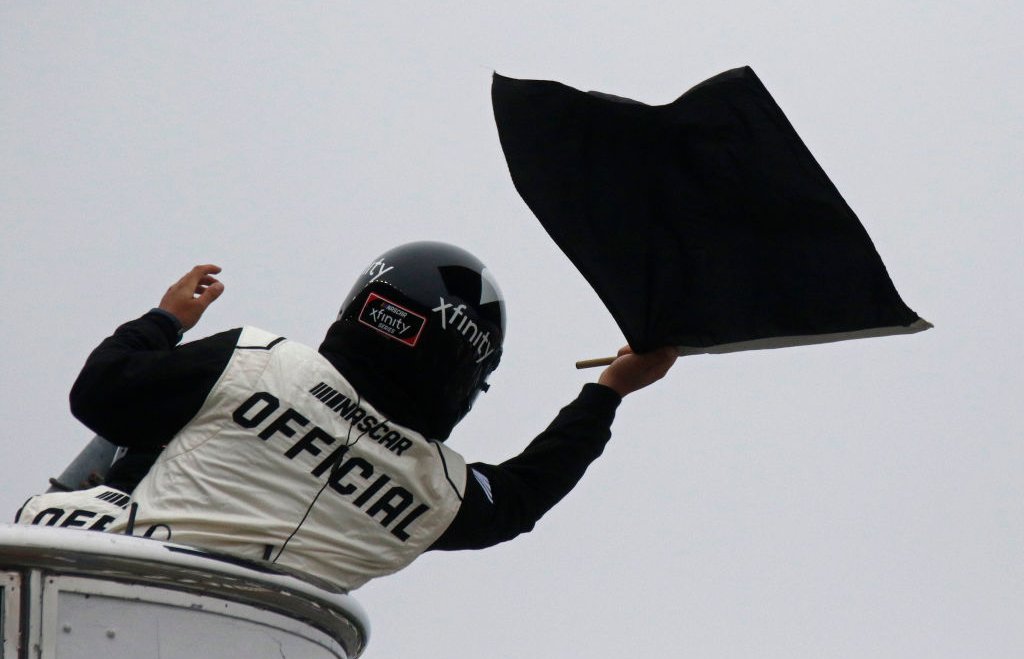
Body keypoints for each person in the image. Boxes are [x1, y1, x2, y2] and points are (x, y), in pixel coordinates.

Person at [67, 242, 677, 591]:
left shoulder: (253, 360)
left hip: (120, 593)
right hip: (273, 634)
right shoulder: (439, 489)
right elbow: (523, 496)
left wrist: (165, 322)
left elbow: (99, 394)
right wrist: (608, 393)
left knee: (153, 423)